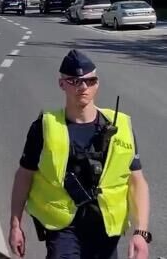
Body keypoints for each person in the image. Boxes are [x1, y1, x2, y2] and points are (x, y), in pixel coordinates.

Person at [8, 50, 150, 259]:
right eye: (74, 81)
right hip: (63, 227)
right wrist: (15, 224)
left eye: (89, 81)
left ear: (97, 84)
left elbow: (137, 181)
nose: (83, 87)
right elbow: (24, 175)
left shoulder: (121, 125)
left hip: (107, 227)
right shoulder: (45, 126)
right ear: (62, 84)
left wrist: (141, 232)